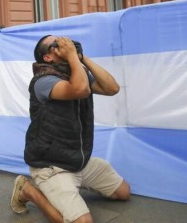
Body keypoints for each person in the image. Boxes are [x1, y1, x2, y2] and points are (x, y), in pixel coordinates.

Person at [10, 35, 130, 223]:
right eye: (56, 44)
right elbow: (80, 89)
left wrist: (82, 59)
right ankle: (29, 191)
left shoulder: (75, 72)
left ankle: (67, 190)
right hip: (51, 165)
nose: (65, 45)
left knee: (123, 192)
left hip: (77, 159)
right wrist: (73, 57)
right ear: (48, 57)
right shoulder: (43, 81)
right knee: (82, 222)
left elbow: (111, 88)